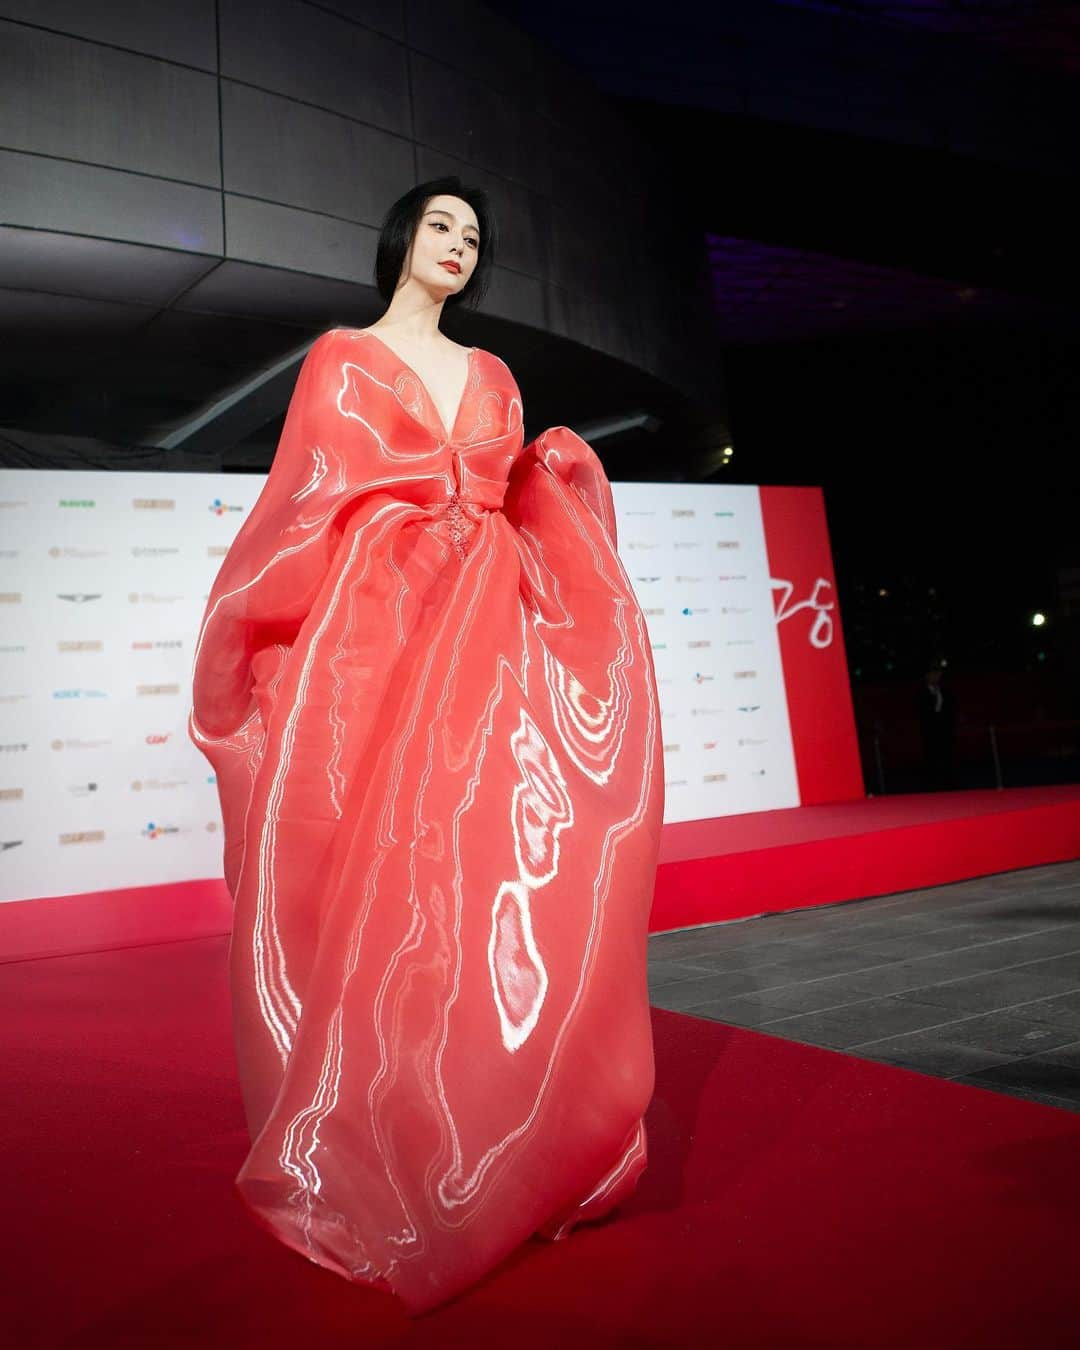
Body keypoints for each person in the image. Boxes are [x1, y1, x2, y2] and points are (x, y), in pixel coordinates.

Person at [188, 176, 665, 1315]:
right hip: (377, 640)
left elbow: (509, 501)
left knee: (490, 880)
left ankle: (505, 1128)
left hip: (491, 635)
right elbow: (300, 509)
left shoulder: (495, 374)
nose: (459, 246)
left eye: (474, 237)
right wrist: (261, 645)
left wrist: (555, 476)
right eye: (442, 227)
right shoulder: (340, 358)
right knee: (375, 881)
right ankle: (384, 1122)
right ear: (404, 239)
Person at [916, 664, 957, 790]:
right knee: (932, 765)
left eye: (939, 674)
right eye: (934, 674)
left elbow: (952, 710)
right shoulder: (921, 693)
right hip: (930, 735)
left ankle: (950, 788)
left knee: (948, 763)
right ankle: (933, 790)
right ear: (927, 676)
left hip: (946, 734)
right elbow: (921, 714)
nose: (937, 677)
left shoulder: (946, 691)